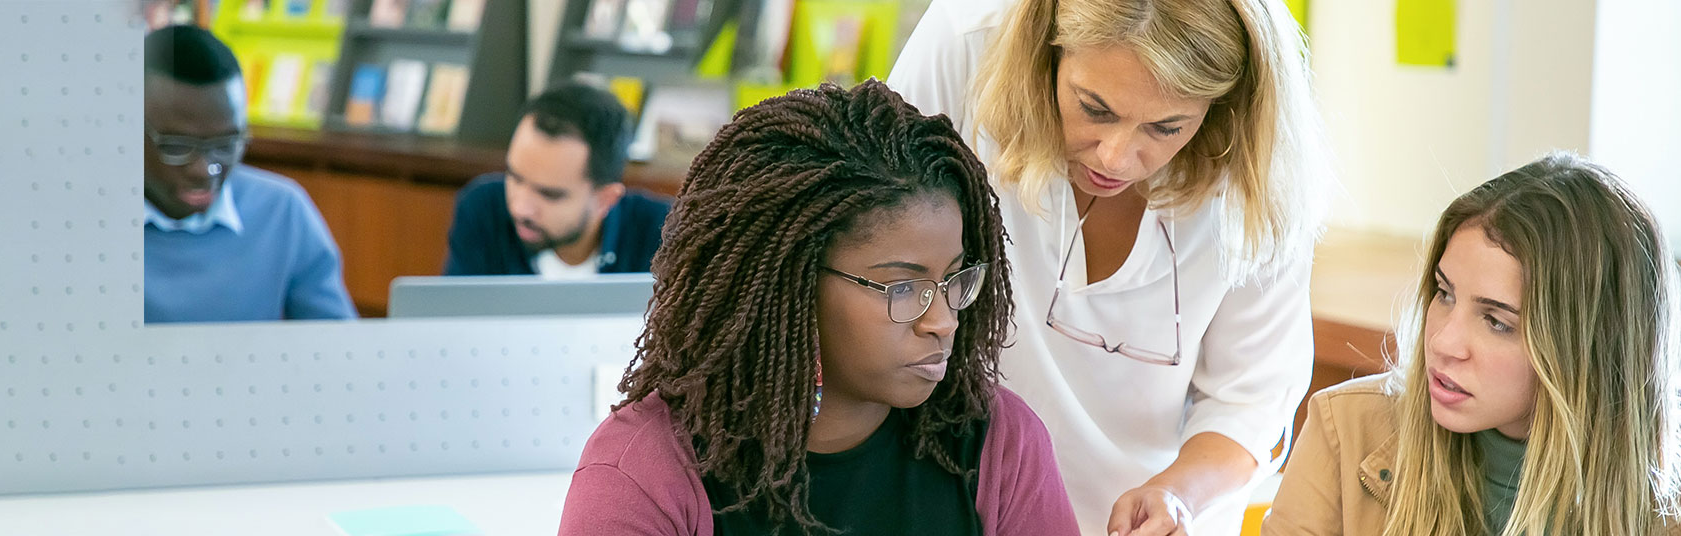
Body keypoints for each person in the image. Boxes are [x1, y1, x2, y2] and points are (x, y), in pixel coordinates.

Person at [887, 0, 1332, 533]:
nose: (1116, 159)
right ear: (1048, 49)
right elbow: (878, 252)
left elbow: (1251, 400)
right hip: (951, 495)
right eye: (1095, 109)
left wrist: (1177, 495)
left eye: (1166, 127)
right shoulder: (967, 41)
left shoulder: (1256, 161)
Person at [558, 81, 1079, 535]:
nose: (943, 320)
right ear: (789, 284)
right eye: (903, 288)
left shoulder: (999, 445)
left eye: (953, 281)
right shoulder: (645, 474)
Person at [1264, 153, 1681, 535]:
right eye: (1444, 294)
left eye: (1497, 322)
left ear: (1589, 351)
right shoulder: (1348, 428)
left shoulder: (1664, 510)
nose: (1444, 342)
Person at [142, 25, 357, 323]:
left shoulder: (283, 211)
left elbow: (339, 352)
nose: (205, 169)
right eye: (177, 146)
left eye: (226, 145)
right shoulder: (82, 224)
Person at [443, 84, 670, 278]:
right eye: (515, 177)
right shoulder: (483, 210)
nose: (521, 208)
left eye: (549, 194)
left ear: (606, 199)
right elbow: (453, 323)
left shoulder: (662, 234)